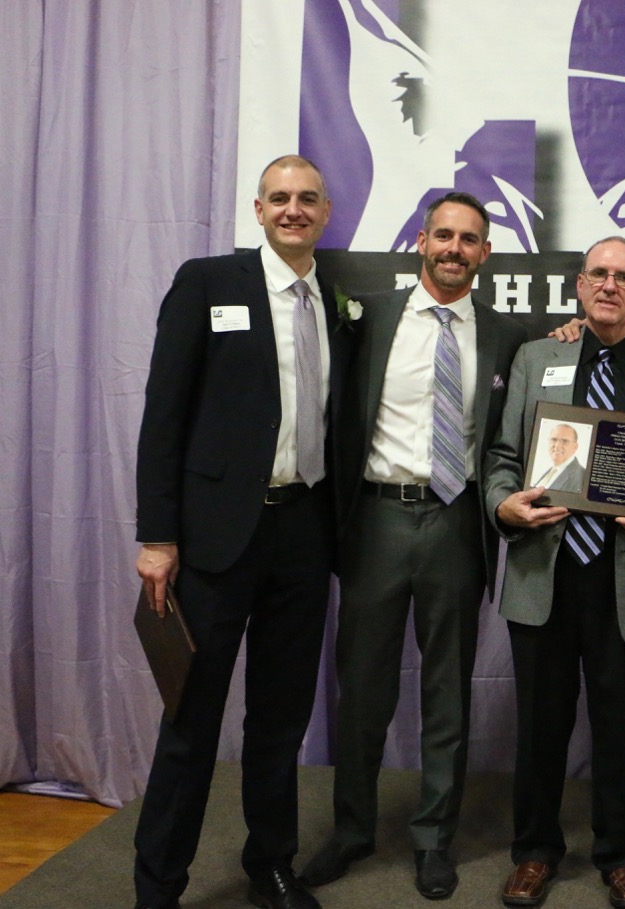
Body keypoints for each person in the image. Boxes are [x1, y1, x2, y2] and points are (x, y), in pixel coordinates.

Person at [133, 155, 350, 909]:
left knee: (281, 718)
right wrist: (157, 536)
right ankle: (158, 884)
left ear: (326, 213)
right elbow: (163, 413)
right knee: (191, 719)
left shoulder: (336, 303)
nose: (294, 209)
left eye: (308, 198)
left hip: (304, 534)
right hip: (215, 540)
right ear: (258, 210)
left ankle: (271, 864)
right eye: (279, 198)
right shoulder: (208, 283)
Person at [300, 192, 526, 900]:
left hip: (457, 522)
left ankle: (433, 838)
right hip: (377, 520)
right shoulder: (367, 317)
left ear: (485, 252)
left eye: (470, 239)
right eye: (444, 235)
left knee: (447, 690)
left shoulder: (507, 334)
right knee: (363, 687)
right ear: (422, 242)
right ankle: (351, 830)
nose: (455, 249)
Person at [485, 237, 625, 909]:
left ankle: (621, 856)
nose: (610, 285)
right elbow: (502, 457)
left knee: (618, 726)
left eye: (624, 277)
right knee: (540, 726)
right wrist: (503, 504)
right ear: (580, 285)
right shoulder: (536, 358)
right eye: (599, 274)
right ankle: (534, 851)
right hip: (545, 571)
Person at [534, 423, 587, 492]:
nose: (557, 446)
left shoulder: (582, 478)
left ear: (575, 447)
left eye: (565, 441)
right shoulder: (550, 472)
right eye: (554, 440)